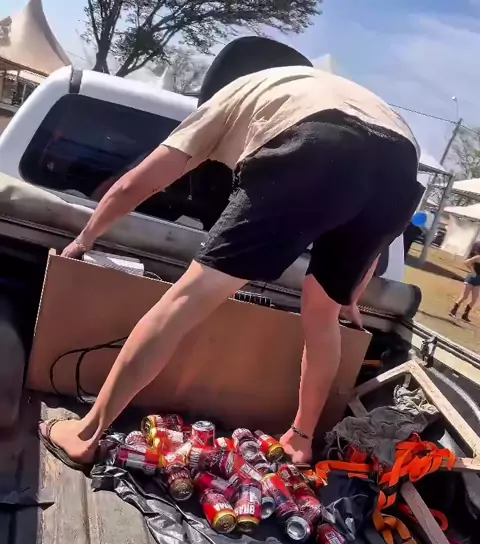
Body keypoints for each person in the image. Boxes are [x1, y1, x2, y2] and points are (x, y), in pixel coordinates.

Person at [39, 65, 421, 468]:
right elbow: (370, 244)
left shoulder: (224, 102)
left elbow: (135, 184)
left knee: (187, 299)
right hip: (400, 166)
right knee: (323, 314)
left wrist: (86, 238)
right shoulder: (303, 88)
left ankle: (85, 434)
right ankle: (300, 440)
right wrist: (349, 298)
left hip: (320, 142)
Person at [450, 254, 480, 323]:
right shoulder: (478, 257)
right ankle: (453, 310)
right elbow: (466, 262)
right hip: (471, 278)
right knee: (464, 296)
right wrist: (473, 271)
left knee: (474, 299)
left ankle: (465, 315)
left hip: (478, 281)